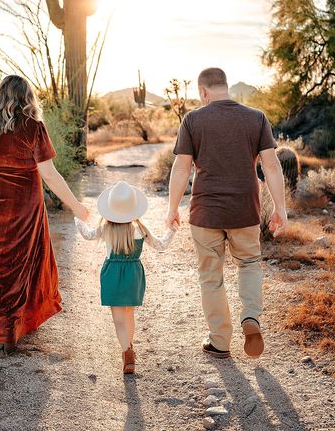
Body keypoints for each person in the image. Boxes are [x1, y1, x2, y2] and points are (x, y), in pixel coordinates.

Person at [0, 75, 88, 354]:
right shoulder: (33, 128)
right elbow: (49, 174)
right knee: (24, 261)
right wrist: (76, 206)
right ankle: (15, 326)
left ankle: (1, 325)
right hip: (25, 203)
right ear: (28, 98)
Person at [166, 67, 286, 359]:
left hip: (205, 213)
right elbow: (271, 166)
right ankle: (251, 318)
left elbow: (181, 168)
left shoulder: (193, 119)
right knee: (249, 264)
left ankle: (220, 340)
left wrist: (172, 208)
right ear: (226, 87)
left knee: (211, 276)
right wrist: (280, 208)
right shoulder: (256, 117)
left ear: (203, 91)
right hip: (245, 210)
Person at [75, 180, 176, 374]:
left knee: (119, 319)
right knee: (129, 314)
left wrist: (77, 218)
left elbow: (87, 234)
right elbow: (161, 245)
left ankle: (127, 352)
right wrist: (171, 230)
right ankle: (129, 347)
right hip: (134, 275)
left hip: (113, 274)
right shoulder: (140, 229)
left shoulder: (106, 228)